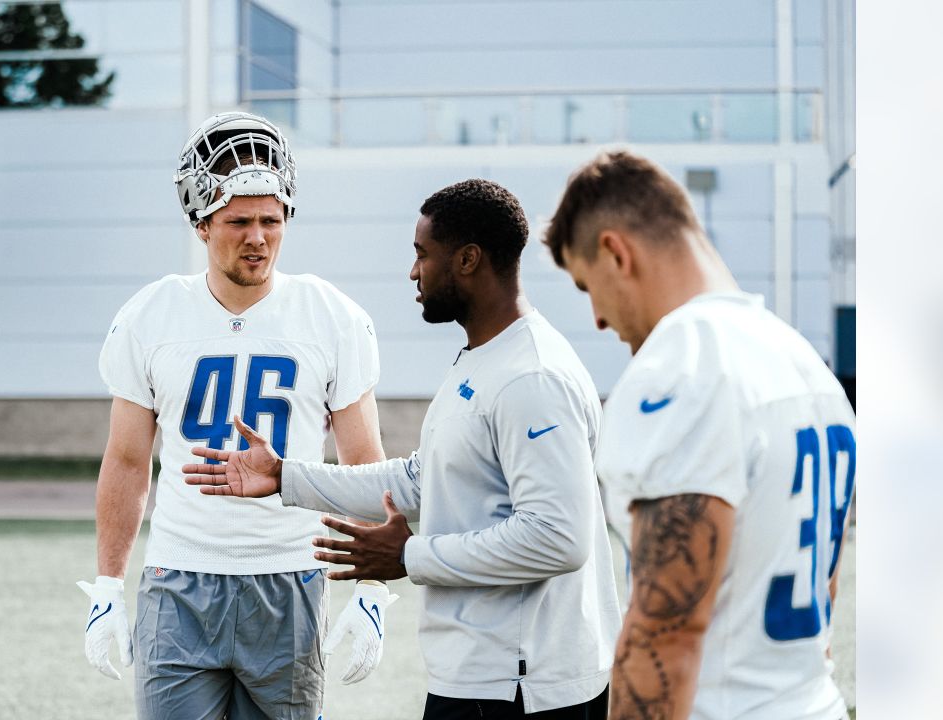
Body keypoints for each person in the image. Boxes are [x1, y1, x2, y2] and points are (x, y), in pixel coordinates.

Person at [185, 178, 622, 719]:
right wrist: (284, 477)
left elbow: (557, 538)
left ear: (467, 260)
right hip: (480, 679)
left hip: (521, 688)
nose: (413, 272)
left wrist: (408, 556)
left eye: (422, 255)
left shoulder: (531, 377)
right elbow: (421, 480)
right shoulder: (483, 359)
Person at [75, 111, 396, 720]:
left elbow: (363, 462)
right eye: (239, 221)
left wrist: (372, 587)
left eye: (271, 221)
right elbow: (125, 461)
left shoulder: (332, 317)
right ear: (201, 225)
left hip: (289, 579)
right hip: (179, 577)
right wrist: (109, 586)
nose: (258, 238)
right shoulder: (151, 315)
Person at [542, 149, 856, 720]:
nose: (598, 320)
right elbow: (826, 594)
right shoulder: (803, 362)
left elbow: (667, 636)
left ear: (616, 251)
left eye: (588, 288)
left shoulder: (684, 366)